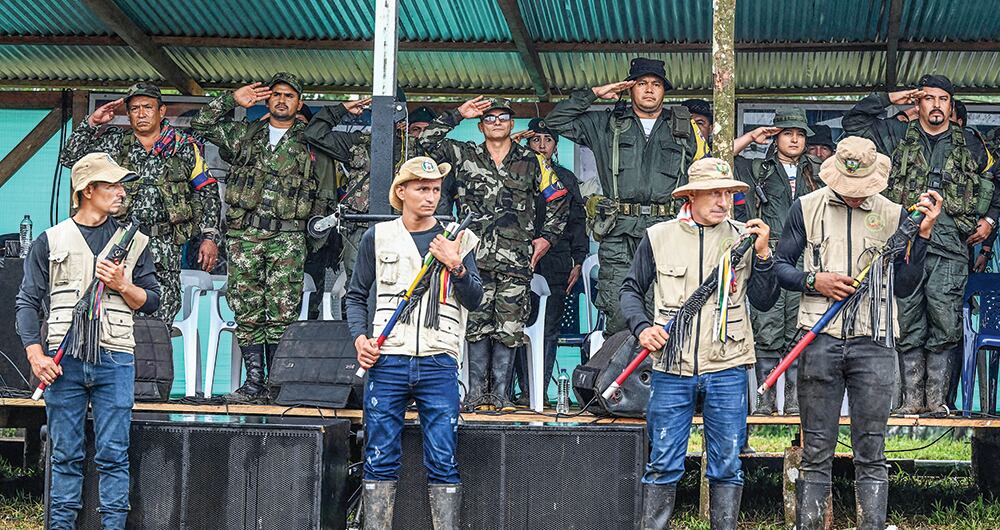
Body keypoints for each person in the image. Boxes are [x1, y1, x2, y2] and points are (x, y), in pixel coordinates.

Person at [772, 136, 941, 528]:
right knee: (816, 450)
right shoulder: (806, 207)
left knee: (871, 451)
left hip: (875, 341)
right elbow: (780, 266)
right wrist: (815, 280)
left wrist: (925, 237)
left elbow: (905, 284)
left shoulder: (896, 214)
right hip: (819, 340)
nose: (853, 195)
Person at [620, 157, 778, 529]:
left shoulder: (745, 236)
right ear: (691, 197)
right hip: (671, 370)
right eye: (714, 193)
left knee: (727, 464)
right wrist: (642, 328)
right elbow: (629, 290)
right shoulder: (659, 236)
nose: (724, 201)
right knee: (663, 464)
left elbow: (765, 299)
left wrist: (764, 255)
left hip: (728, 365)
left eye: (728, 192)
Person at [16, 153, 161, 529]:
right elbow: (28, 303)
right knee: (64, 455)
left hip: (115, 359)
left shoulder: (135, 242)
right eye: (110, 185)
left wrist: (122, 285)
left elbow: (154, 300)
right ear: (87, 190)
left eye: (120, 185)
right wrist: (36, 355)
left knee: (114, 454)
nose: (120, 192)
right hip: (62, 362)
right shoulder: (49, 241)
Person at [842, 74, 1000, 415]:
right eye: (929, 98)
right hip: (905, 247)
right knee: (907, 320)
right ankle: (911, 401)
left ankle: (937, 402)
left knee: (945, 322)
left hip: (950, 249)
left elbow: (997, 179)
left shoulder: (971, 143)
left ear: (950, 105)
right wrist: (891, 98)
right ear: (919, 103)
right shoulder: (896, 135)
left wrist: (990, 219)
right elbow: (853, 122)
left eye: (943, 99)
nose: (937, 105)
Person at [346, 157, 483, 530]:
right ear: (401, 192)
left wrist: (456, 266)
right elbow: (355, 295)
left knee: (443, 458)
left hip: (439, 359)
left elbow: (476, 299)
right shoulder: (378, 236)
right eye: (422, 188)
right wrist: (360, 339)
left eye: (436, 189)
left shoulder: (459, 238)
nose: (431, 196)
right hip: (387, 358)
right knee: (378, 455)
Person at [418, 97, 568, 412]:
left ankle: (500, 396)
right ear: (482, 124)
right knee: (475, 325)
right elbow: (426, 141)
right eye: (490, 118)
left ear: (513, 124)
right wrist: (459, 114)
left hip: (515, 260)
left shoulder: (532, 160)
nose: (497, 122)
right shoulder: (464, 155)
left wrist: (547, 239)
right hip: (471, 259)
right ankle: (474, 396)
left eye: (503, 117)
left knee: (509, 328)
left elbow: (557, 197)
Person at [192, 73, 332, 403]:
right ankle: (254, 383)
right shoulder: (244, 135)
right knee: (247, 310)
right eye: (277, 94)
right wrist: (231, 99)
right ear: (267, 100)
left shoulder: (311, 141)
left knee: (282, 313)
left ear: (299, 104)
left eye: (290, 96)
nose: (282, 100)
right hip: (245, 236)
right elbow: (201, 125)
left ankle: (278, 384)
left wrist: (311, 241)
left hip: (288, 238)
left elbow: (325, 195)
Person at [545, 57, 700, 335]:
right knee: (620, 316)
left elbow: (705, 175)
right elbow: (554, 121)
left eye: (656, 84)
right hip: (619, 235)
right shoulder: (607, 123)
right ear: (630, 88)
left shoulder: (686, 128)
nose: (649, 90)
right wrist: (595, 93)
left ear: (665, 90)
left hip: (667, 234)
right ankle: (617, 379)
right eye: (641, 83)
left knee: (665, 317)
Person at [60, 83, 221, 323]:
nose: (142, 113)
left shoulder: (183, 148)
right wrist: (92, 123)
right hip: (119, 243)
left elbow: (206, 191)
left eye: (148, 107)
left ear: (161, 111)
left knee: (159, 323)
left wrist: (209, 237)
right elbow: (70, 158)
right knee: (113, 318)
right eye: (135, 108)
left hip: (163, 246)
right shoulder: (114, 144)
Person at [732, 107, 824, 415]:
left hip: (806, 258)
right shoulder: (758, 168)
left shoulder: (821, 170)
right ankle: (766, 400)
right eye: (787, 133)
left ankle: (796, 403)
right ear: (775, 136)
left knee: (801, 328)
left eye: (800, 134)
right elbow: (717, 159)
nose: (795, 139)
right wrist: (751, 137)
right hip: (767, 254)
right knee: (767, 328)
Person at [303, 96, 437, 287]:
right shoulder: (359, 142)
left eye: (395, 114)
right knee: (358, 287)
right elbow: (314, 134)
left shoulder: (416, 149)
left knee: (401, 286)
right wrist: (342, 109)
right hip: (359, 228)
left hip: (403, 229)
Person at [510, 118, 589, 404]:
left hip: (556, 260)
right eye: (536, 139)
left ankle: (538, 392)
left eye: (548, 139)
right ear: (527, 143)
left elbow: (578, 223)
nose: (541, 145)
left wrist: (578, 260)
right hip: (516, 258)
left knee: (549, 328)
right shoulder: (515, 173)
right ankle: (516, 391)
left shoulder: (565, 179)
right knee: (515, 325)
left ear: (555, 145)